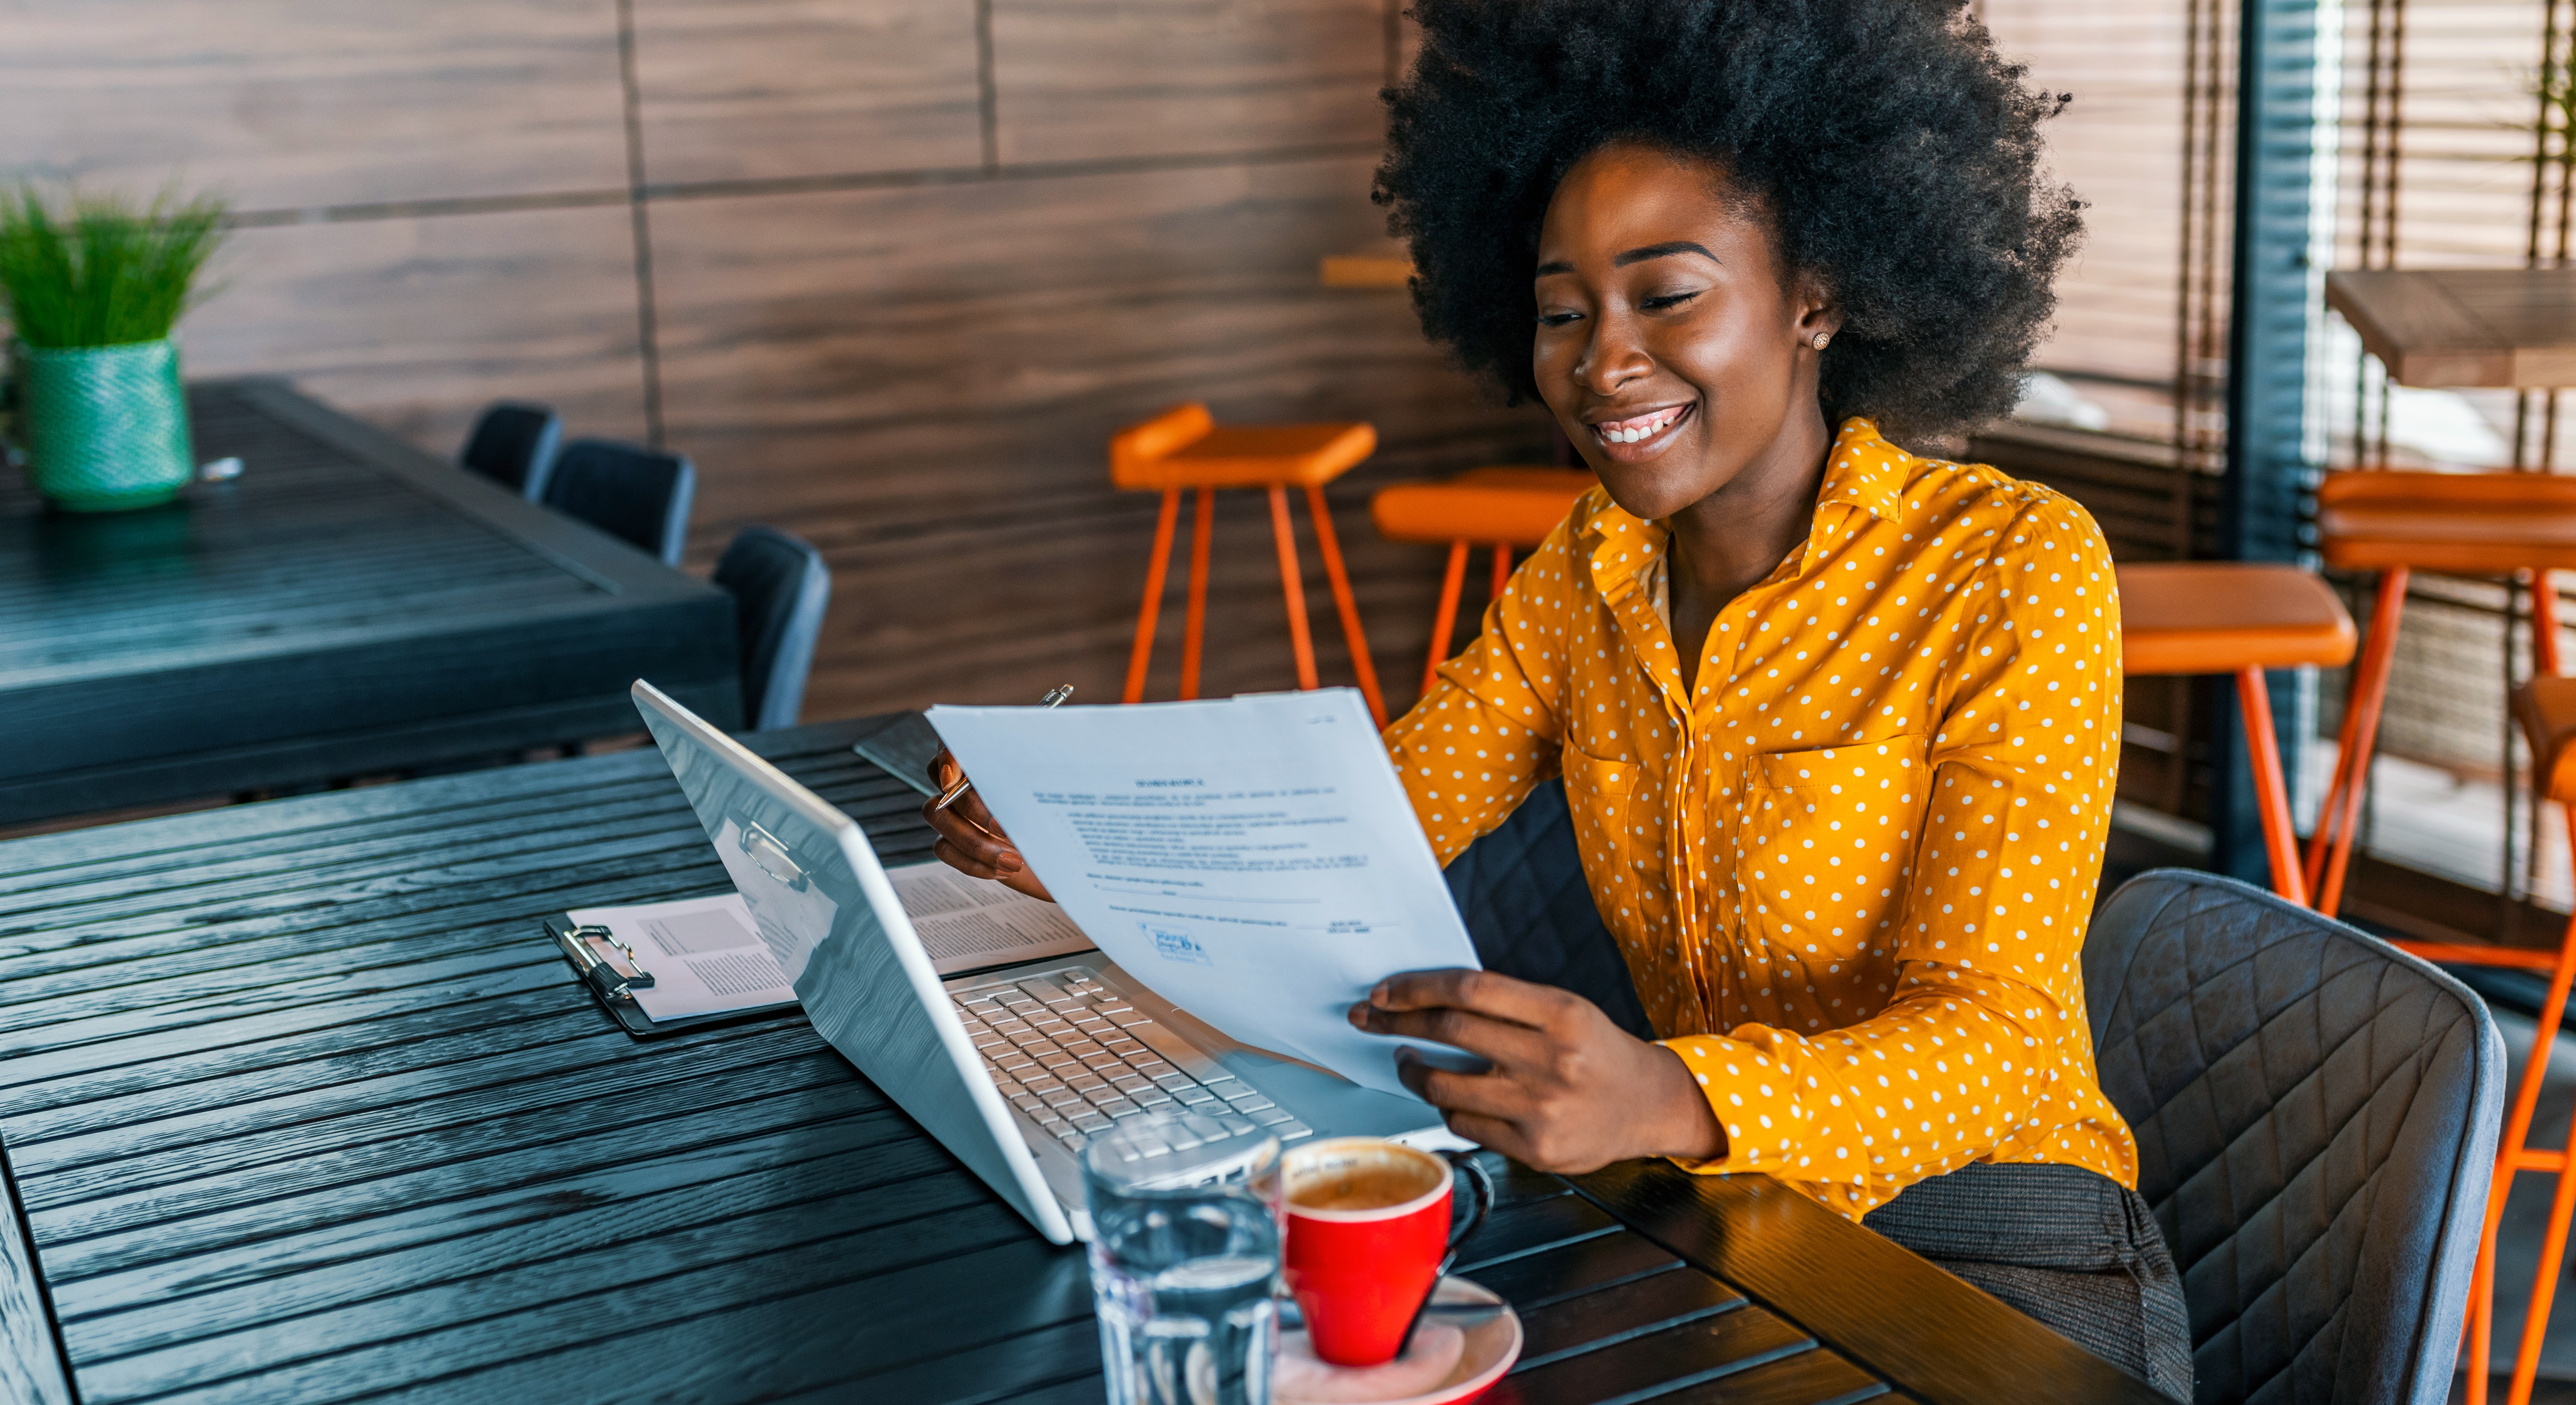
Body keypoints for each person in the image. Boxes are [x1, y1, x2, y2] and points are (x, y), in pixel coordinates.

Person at [926, 0, 2188, 1393]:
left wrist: (1672, 1094)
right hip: (1724, 1226)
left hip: (1992, 1250)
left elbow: (1999, 1040)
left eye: (1670, 294)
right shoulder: (1581, 578)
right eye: (1562, 313)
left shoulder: (2010, 566)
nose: (1603, 360)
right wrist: (1088, 841)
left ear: (1815, 296)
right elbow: (1370, 827)